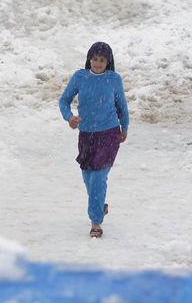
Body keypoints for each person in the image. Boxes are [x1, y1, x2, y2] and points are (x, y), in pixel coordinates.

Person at [59, 42, 129, 238]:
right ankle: (99, 204)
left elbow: (122, 106)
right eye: (95, 59)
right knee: (88, 178)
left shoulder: (114, 79)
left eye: (102, 60)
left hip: (109, 134)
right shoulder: (80, 77)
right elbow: (64, 100)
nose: (98, 63)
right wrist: (69, 117)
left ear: (109, 61)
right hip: (86, 135)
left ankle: (95, 222)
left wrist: (125, 127)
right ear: (89, 59)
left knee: (98, 178)